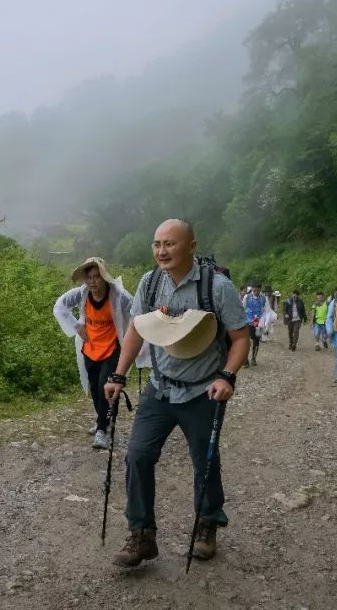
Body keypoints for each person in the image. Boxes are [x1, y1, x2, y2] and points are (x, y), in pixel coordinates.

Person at [103, 219, 249, 567]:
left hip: (203, 390)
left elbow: (241, 337)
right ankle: (142, 535)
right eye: (156, 244)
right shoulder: (150, 283)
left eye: (169, 243)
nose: (161, 251)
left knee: (205, 461)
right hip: (160, 387)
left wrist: (227, 376)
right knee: (137, 456)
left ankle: (207, 523)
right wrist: (118, 374)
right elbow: (137, 330)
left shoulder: (217, 286)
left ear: (192, 246)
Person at [52, 257, 146, 449]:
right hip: (90, 347)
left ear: (104, 278)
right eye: (89, 277)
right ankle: (101, 421)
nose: (92, 282)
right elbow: (60, 307)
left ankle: (104, 430)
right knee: (95, 387)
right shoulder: (81, 294)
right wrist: (77, 327)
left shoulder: (119, 295)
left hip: (112, 348)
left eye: (97, 277)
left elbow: (137, 312)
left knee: (108, 387)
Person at [242, 285, 265, 366]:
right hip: (249, 323)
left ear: (260, 290)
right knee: (246, 341)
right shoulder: (247, 297)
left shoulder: (263, 298)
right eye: (255, 290)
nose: (256, 292)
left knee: (256, 341)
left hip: (259, 323)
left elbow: (266, 310)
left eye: (258, 290)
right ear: (252, 290)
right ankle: (245, 360)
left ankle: (253, 358)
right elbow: (243, 308)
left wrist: (264, 322)